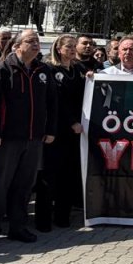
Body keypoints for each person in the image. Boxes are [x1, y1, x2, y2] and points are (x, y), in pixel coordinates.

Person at [0, 30, 57, 250]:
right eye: (30, 41)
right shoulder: (2, 69)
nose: (36, 45)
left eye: (37, 41)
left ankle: (18, 227)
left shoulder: (43, 71)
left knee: (24, 185)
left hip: (34, 138)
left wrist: (50, 129)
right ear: (16, 46)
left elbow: (52, 103)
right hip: (7, 139)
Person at [34, 35, 86, 233]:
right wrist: (71, 121)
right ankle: (43, 219)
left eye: (74, 46)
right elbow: (56, 101)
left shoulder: (79, 69)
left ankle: (62, 216)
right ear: (58, 48)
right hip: (56, 130)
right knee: (49, 176)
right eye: (68, 47)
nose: (72, 50)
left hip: (76, 132)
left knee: (68, 175)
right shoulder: (49, 69)